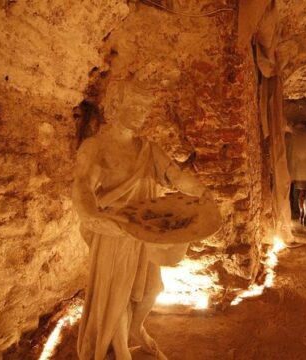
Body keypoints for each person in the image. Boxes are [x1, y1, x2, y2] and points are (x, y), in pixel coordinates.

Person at [72, 81, 207, 360]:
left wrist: (203, 191)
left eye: (145, 109)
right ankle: (122, 349)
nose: (140, 113)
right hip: (116, 231)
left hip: (145, 229)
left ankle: (136, 329)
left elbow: (176, 176)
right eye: (134, 106)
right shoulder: (96, 146)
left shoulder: (147, 148)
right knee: (118, 296)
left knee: (151, 289)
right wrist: (91, 216)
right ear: (115, 105)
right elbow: (83, 185)